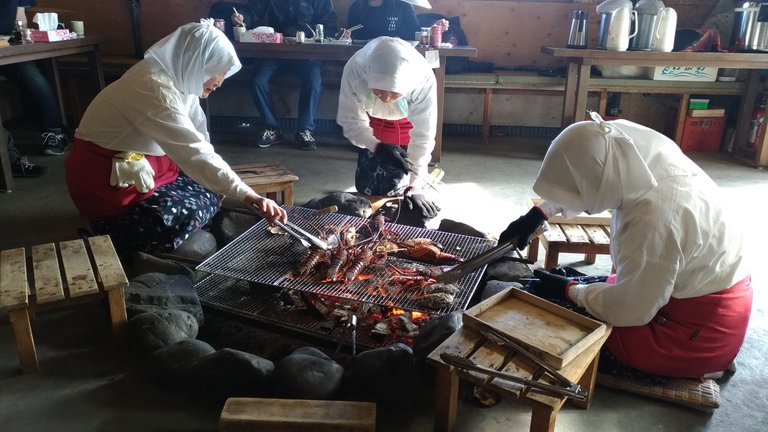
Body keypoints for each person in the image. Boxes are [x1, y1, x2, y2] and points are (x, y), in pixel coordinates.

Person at [499, 112, 752, 379]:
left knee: (552, 322)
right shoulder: (620, 141)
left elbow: (633, 309)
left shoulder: (656, 218)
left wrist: (571, 291)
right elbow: (592, 176)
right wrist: (541, 213)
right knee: (563, 285)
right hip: (685, 287)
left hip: (691, 334)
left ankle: (703, 365)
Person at [65, 22, 287, 255]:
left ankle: (155, 230)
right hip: (106, 182)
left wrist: (227, 185)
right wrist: (248, 195)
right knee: (188, 209)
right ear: (199, 62)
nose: (220, 81)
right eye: (219, 72)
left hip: (146, 170)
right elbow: (193, 151)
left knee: (210, 190)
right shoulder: (153, 86)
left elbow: (200, 139)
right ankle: (111, 235)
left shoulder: (181, 83)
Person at [336, 36, 440, 222]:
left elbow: (424, 134)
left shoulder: (422, 78)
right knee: (365, 189)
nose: (385, 97)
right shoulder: (355, 69)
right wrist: (375, 146)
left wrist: (415, 186)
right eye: (378, 90)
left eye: (394, 92)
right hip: (371, 129)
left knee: (398, 195)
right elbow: (350, 121)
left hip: (405, 129)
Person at [229, 0, 338, 151]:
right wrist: (242, 17)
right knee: (258, 80)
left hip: (308, 51)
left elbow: (329, 22)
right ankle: (272, 128)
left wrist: (315, 37)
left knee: (313, 81)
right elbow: (252, 10)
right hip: (276, 50)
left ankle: (304, 130)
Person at [0, 0, 69, 155]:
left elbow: (21, 18)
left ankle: (55, 132)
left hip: (8, 45)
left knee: (29, 70)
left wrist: (19, 37)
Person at [346, 0, 423, 42]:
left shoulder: (403, 4)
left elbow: (415, 32)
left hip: (396, 53)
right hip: (364, 54)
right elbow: (352, 34)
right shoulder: (357, 5)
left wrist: (398, 40)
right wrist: (346, 37)